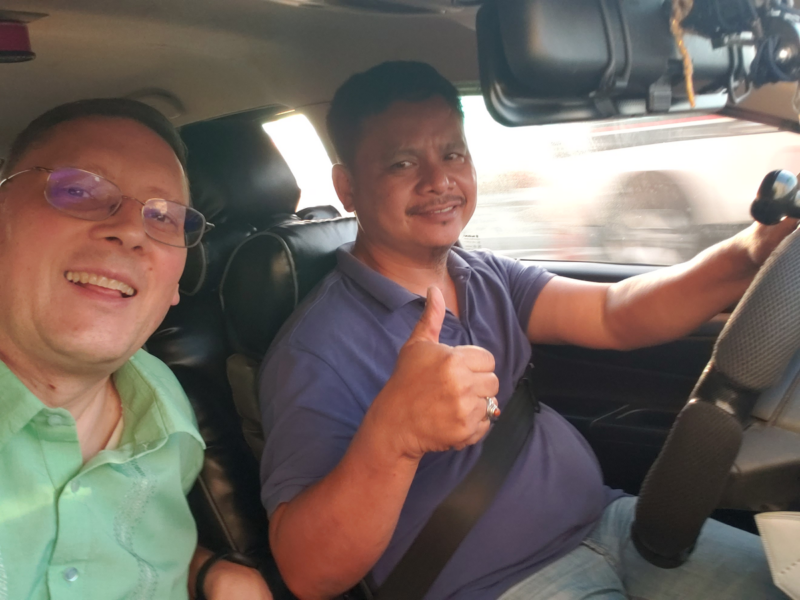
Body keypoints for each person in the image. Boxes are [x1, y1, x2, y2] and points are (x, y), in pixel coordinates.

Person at [258, 62, 793, 600]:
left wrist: (749, 253)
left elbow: (613, 311)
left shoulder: (483, 273)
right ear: (347, 187)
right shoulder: (315, 351)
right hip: (505, 585)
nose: (439, 180)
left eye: (453, 155)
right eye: (403, 162)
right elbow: (307, 572)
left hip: (611, 525)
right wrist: (393, 436)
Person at [0, 99, 272, 600]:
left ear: (175, 285)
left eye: (164, 216)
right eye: (78, 189)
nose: (130, 229)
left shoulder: (163, 401)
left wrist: (207, 571)